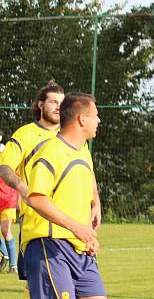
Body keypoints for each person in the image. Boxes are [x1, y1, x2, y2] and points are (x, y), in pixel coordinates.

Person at [0, 80, 100, 283]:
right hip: (40, 227)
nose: (57, 107)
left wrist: (95, 201)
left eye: (61, 103)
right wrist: (21, 186)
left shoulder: (72, 137)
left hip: (74, 232)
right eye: (53, 102)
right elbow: (4, 166)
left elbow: (87, 172)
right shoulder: (26, 134)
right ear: (40, 105)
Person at [23, 92, 105, 299]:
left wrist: (95, 207)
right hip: (49, 246)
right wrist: (76, 228)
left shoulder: (83, 151)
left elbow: (84, 189)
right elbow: (36, 198)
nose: (99, 120)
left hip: (81, 250)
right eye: (95, 115)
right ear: (82, 119)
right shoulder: (50, 152)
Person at [0, 129, 19, 273]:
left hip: (7, 198)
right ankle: (6, 255)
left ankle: (13, 265)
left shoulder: (8, 153)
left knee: (6, 231)